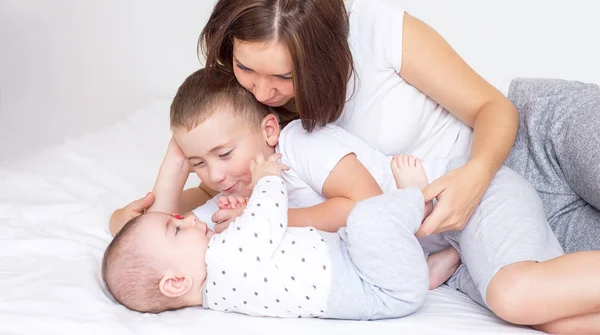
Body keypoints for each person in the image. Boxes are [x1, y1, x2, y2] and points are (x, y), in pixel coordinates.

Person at [111, 69, 600, 333]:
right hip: (437, 253)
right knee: (555, 320)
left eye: (222, 153)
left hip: (463, 202)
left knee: (515, 296)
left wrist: (269, 204)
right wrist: (178, 163)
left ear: (267, 131)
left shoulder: (299, 144)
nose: (215, 176)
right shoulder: (226, 221)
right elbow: (148, 249)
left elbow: (360, 205)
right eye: (198, 164)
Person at [191, 0, 600, 254]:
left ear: (324, 56)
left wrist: (476, 175)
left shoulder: (371, 27)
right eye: (247, 68)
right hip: (499, 224)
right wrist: (176, 164)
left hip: (536, 141)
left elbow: (493, 108)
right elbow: (221, 192)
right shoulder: (251, 114)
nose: (263, 92)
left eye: (285, 77)